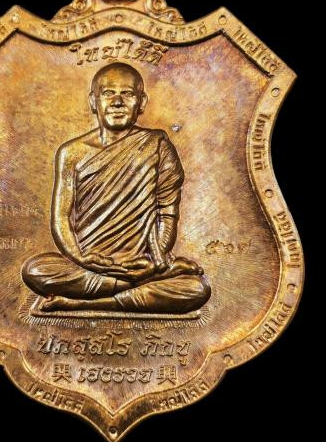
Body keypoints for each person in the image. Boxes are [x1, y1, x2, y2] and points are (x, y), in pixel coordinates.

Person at [21, 62, 211, 313]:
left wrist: (155, 259)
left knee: (197, 289)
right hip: (89, 264)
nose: (117, 102)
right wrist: (81, 258)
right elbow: (61, 218)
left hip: (142, 263)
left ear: (141, 102)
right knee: (35, 270)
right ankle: (135, 287)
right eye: (108, 93)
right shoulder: (71, 153)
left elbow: (167, 213)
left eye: (128, 94)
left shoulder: (157, 145)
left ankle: (82, 302)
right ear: (93, 101)